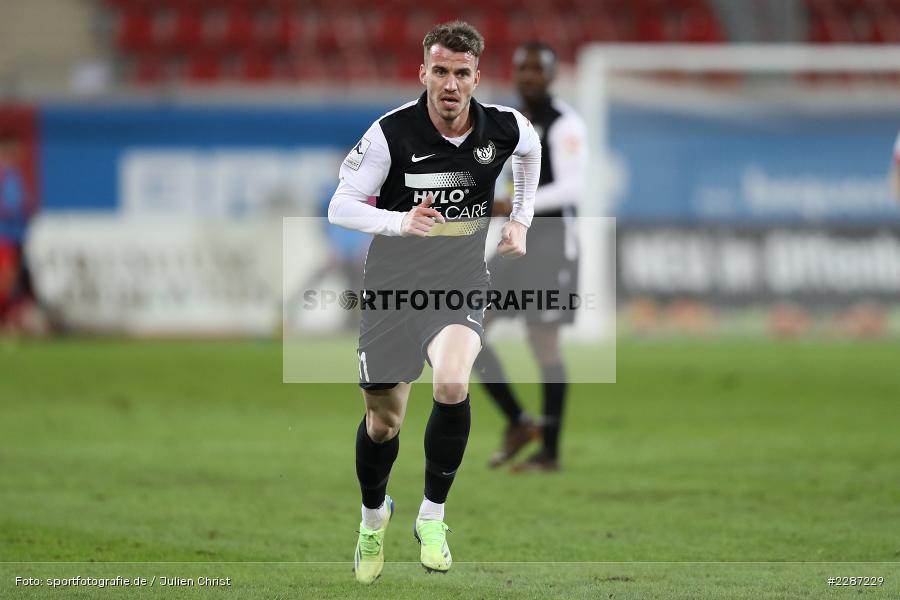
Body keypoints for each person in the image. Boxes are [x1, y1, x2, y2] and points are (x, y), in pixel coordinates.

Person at [327, 22, 541, 583]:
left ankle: (433, 516)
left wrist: (520, 218)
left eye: (461, 73)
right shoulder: (389, 134)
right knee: (383, 423)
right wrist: (401, 220)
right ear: (423, 72)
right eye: (440, 71)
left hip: (461, 282)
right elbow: (341, 207)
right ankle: (374, 517)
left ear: (477, 77)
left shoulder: (505, 126)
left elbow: (531, 148)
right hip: (391, 290)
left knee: (452, 382)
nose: (450, 84)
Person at [474, 42, 588, 472]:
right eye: (523, 68)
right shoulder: (510, 121)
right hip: (515, 242)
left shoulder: (565, 124)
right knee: (467, 326)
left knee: (543, 344)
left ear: (553, 75)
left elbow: (571, 189)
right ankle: (519, 421)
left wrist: (516, 203)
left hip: (552, 244)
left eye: (538, 69)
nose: (529, 76)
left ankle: (550, 453)